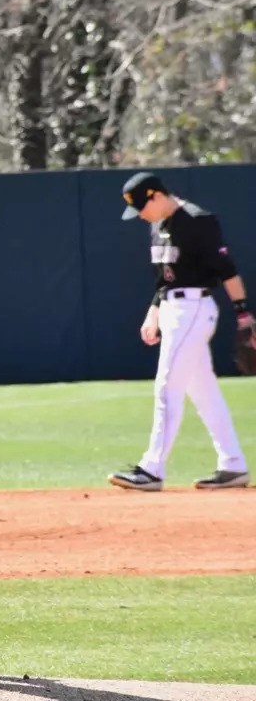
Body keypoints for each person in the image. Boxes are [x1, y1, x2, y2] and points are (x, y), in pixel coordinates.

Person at [108, 172, 251, 491]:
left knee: (167, 386)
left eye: (144, 206)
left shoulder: (198, 221)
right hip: (173, 309)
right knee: (203, 391)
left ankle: (152, 468)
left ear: (158, 195)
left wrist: (243, 314)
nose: (141, 214)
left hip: (194, 309)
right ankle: (233, 465)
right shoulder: (157, 225)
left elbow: (226, 270)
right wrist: (154, 312)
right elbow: (165, 280)